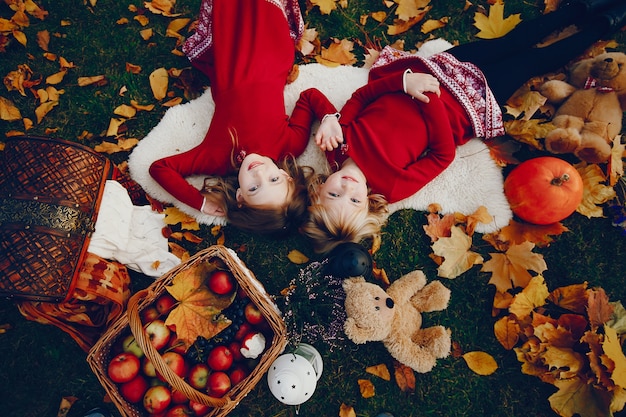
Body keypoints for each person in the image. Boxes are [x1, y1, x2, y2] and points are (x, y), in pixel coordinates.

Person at [303, 0, 626, 253]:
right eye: (355, 200)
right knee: (532, 62)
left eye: (334, 193)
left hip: (428, 75)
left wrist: (336, 117)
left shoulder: (334, 144)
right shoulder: (389, 186)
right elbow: (442, 157)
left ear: (319, 189)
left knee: (511, 41)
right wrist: (427, 101)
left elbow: (352, 96)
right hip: (462, 104)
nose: (347, 187)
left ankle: (577, 10)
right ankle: (601, 25)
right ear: (368, 205)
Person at [149, 0, 341, 235]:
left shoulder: (216, 158)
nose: (259, 172)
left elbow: (160, 168)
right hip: (270, 52)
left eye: (253, 187)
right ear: (286, 176)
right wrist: (329, 117)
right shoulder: (290, 145)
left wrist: (199, 202)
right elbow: (308, 97)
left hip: (233, 58)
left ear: (240, 195)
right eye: (273, 180)